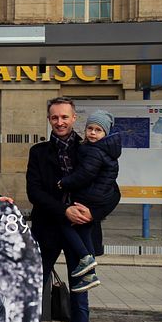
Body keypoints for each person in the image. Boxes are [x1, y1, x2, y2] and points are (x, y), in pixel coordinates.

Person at [26, 96, 94, 322]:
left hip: (82, 231)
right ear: (49, 119)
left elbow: (109, 190)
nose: (60, 122)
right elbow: (35, 192)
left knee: (80, 298)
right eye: (55, 117)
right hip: (48, 229)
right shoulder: (39, 152)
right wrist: (64, 210)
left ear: (74, 118)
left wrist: (92, 211)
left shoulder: (90, 150)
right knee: (29, 293)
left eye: (65, 117)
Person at [57, 110, 121, 293]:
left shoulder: (95, 151)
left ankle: (86, 258)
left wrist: (64, 183)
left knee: (66, 222)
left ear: (106, 134)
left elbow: (85, 174)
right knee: (83, 228)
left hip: (90, 197)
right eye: (90, 129)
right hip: (96, 196)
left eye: (98, 130)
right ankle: (90, 274)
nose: (93, 133)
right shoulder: (104, 150)